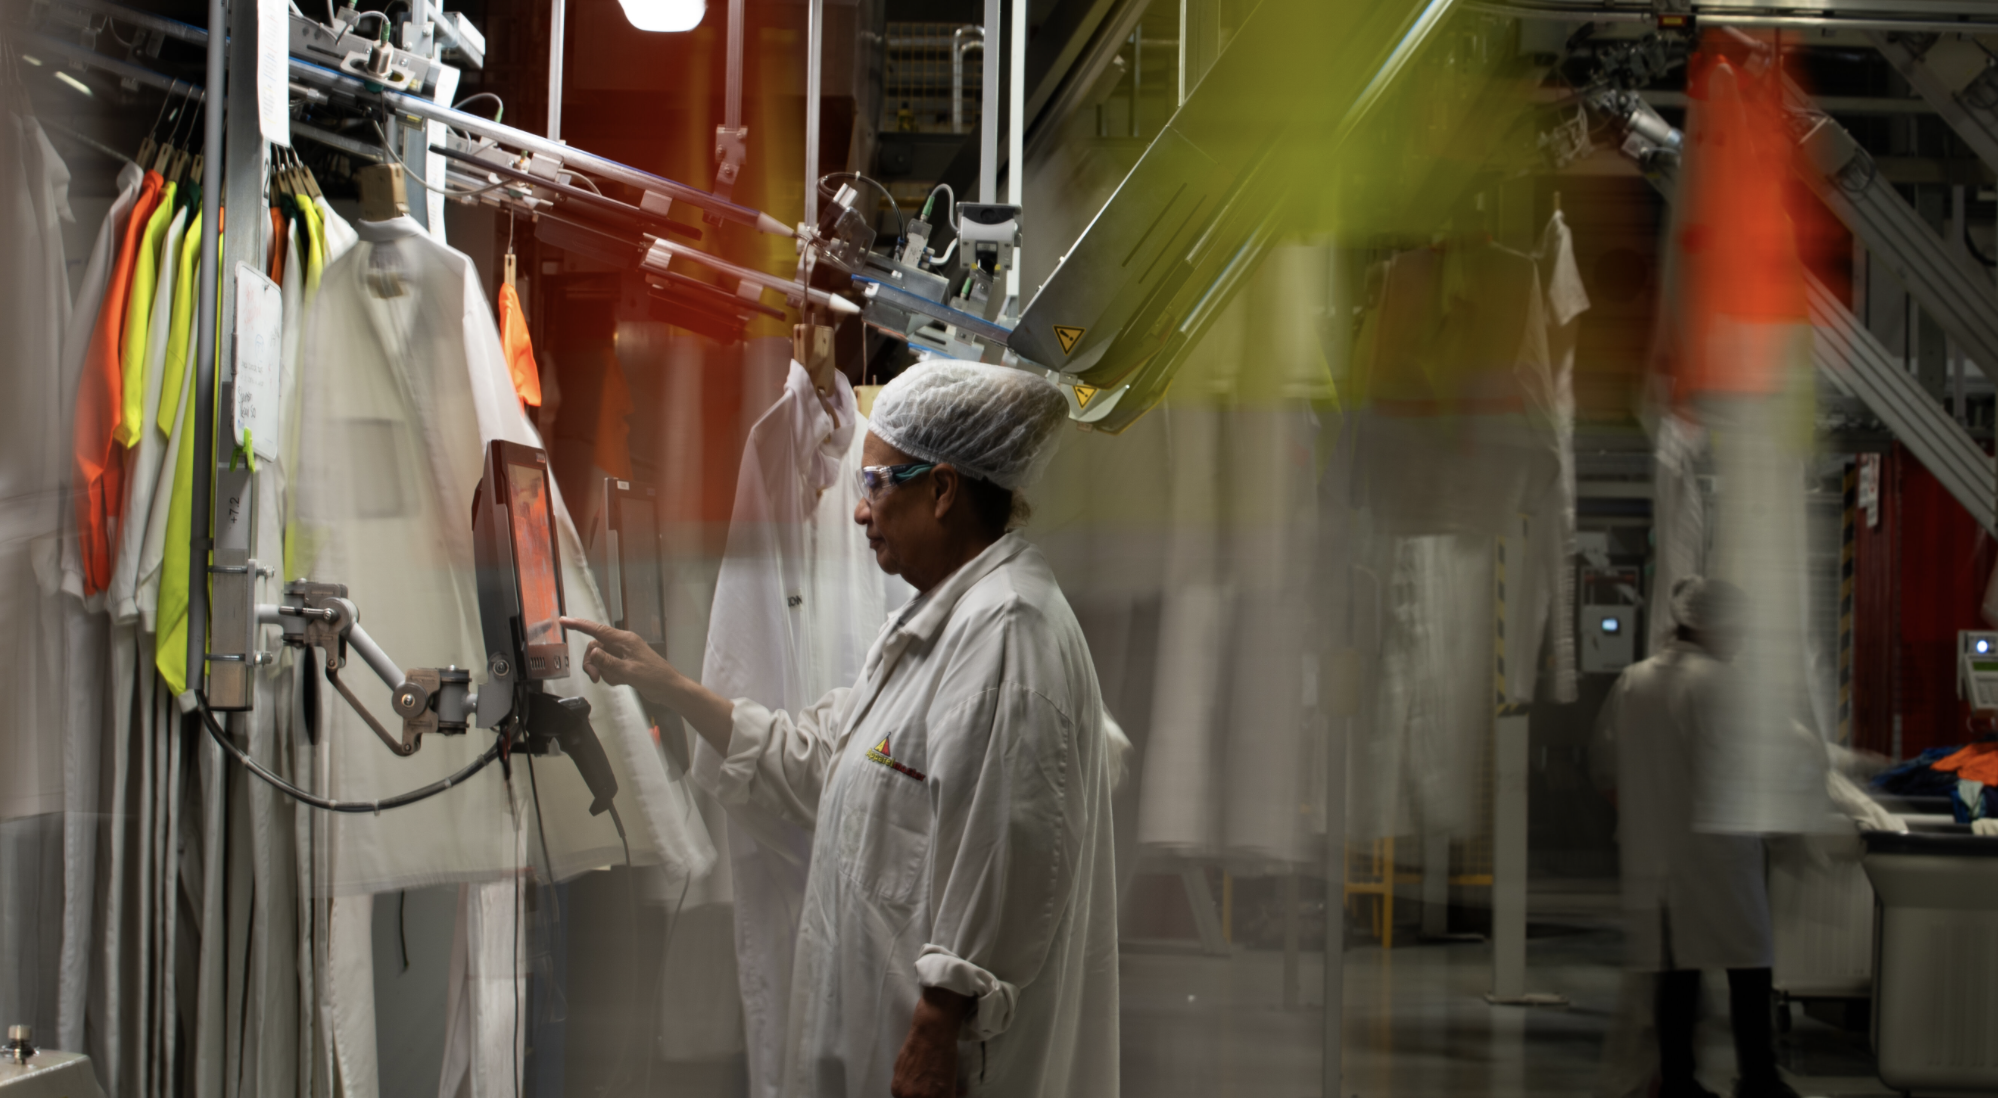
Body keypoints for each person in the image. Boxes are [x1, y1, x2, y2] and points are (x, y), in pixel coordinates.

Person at [565, 360, 1119, 1098]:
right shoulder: (936, 623)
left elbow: (1003, 856)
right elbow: (826, 761)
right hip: (877, 1040)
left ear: (942, 489)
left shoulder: (1006, 635)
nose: (859, 511)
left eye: (875, 484)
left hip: (944, 1062)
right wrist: (670, 686)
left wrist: (937, 1024)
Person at [1594, 576, 1797, 1098]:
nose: (1741, 640)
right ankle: (1759, 1080)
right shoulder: (1725, 684)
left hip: (1654, 856)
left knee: (1675, 971)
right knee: (1748, 966)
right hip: (1718, 852)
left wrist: (1650, 816)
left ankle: (1679, 1082)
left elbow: (1605, 768)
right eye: (1738, 628)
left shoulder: (1633, 681)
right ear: (1713, 626)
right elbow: (1756, 766)